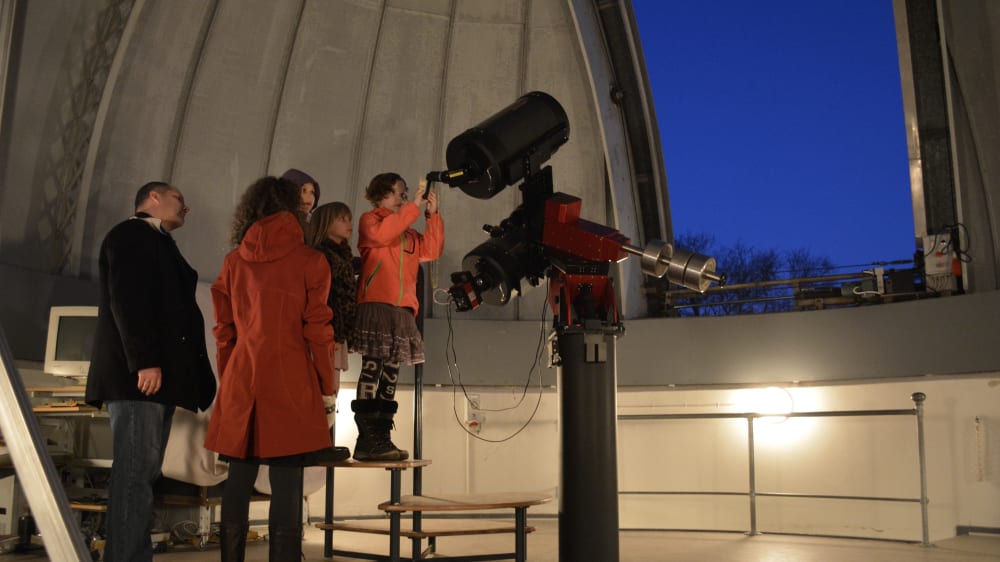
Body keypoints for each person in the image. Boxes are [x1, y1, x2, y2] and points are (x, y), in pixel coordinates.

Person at [204, 176, 338, 561]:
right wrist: (326, 384)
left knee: (238, 478)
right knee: (287, 480)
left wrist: (230, 377)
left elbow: (224, 331)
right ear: (294, 211)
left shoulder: (233, 262)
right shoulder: (312, 261)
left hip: (242, 376)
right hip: (291, 375)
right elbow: (318, 330)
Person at [85, 181, 217, 562]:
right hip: (137, 378)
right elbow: (128, 298)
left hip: (152, 379)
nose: (186, 206)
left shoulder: (157, 241)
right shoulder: (131, 233)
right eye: (180, 197)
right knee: (134, 474)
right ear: (153, 198)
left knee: (143, 474)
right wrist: (144, 360)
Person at [351, 173, 443, 460]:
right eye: (400, 194)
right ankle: (366, 438)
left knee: (391, 372)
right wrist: (412, 208)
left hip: (402, 311)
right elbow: (383, 235)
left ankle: (381, 436)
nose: (404, 199)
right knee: (372, 368)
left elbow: (431, 250)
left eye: (405, 194)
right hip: (377, 306)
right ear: (381, 195)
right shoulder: (371, 221)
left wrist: (432, 216)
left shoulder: (408, 233)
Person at [306, 202, 358, 420]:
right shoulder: (322, 256)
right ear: (326, 223)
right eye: (341, 219)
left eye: (349, 218)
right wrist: (335, 331)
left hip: (337, 333)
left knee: (332, 385)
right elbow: (329, 298)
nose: (349, 224)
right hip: (327, 332)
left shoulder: (343, 257)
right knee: (324, 385)